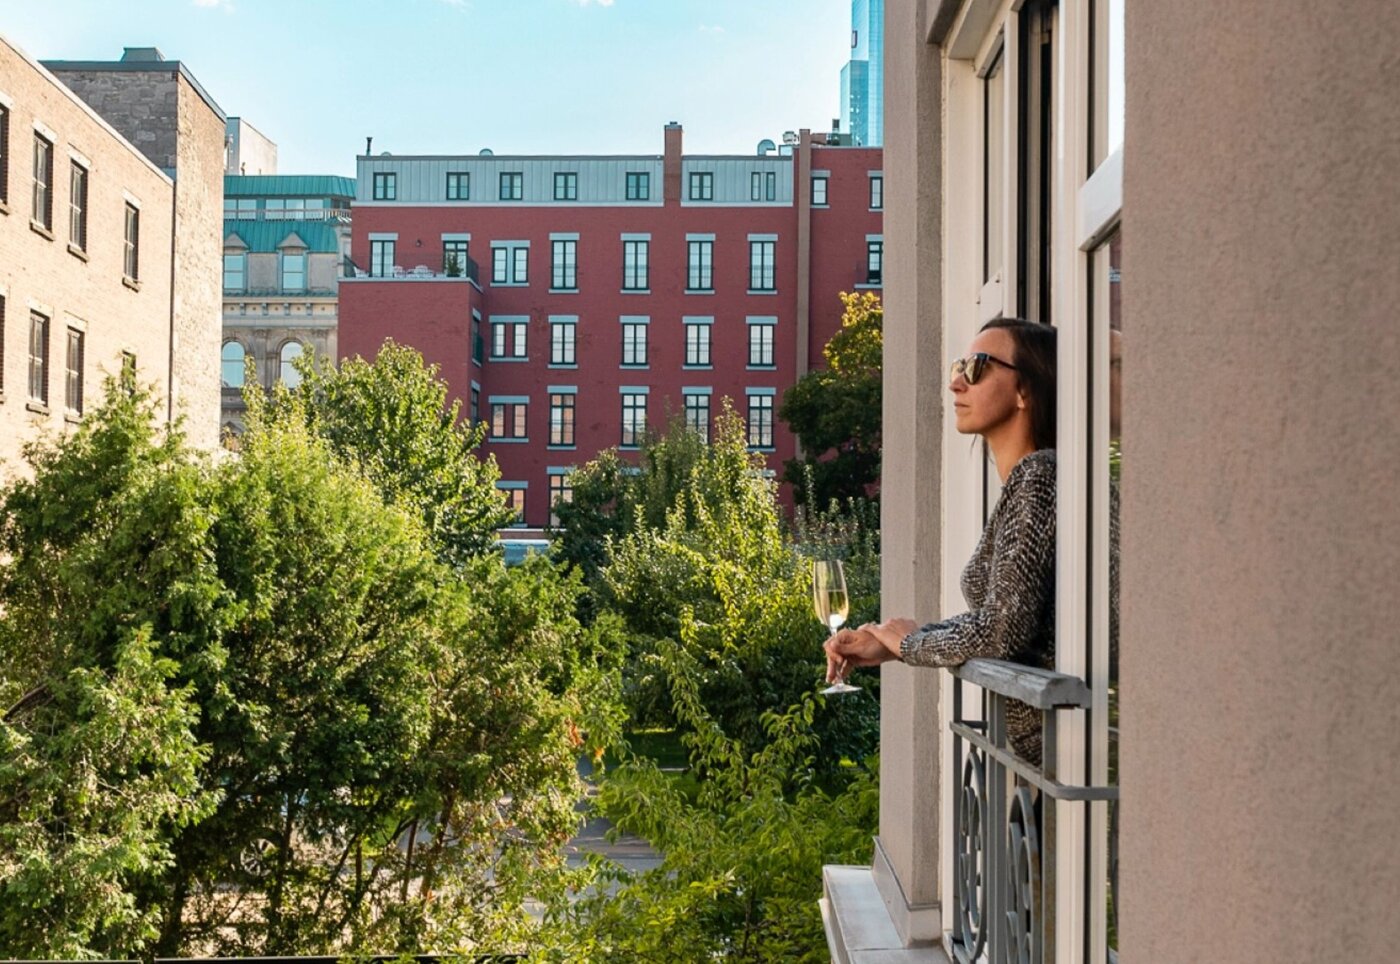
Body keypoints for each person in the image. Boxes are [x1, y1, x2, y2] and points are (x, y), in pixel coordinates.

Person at [824, 318, 1058, 763]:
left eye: (977, 368)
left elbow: (1003, 630)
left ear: (1024, 391)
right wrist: (892, 643)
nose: (955, 382)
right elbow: (1001, 620)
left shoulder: (1039, 476)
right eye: (958, 366)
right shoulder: (1024, 484)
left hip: (1055, 764)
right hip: (1035, 766)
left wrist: (910, 643)